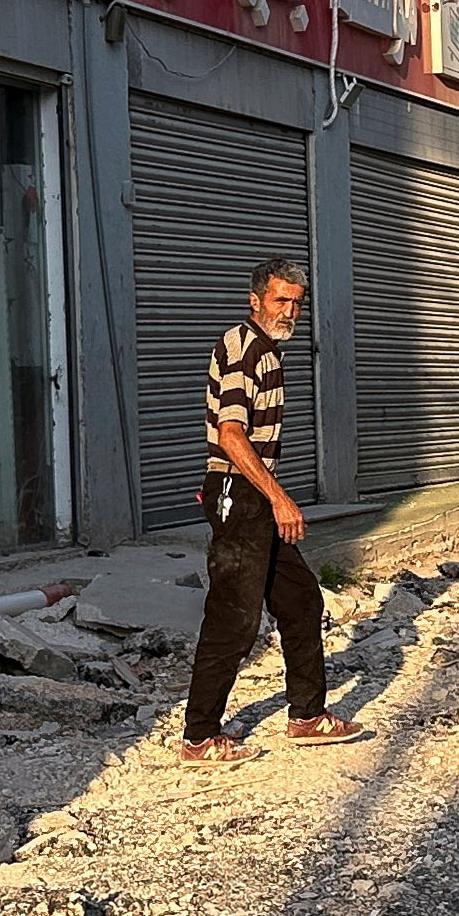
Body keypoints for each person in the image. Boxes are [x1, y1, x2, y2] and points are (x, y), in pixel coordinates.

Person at [181, 256, 360, 760]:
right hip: (241, 496)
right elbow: (231, 434)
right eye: (281, 300)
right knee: (233, 619)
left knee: (301, 601)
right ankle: (199, 736)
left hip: (251, 495)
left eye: (297, 303)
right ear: (255, 300)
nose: (290, 311)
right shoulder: (243, 346)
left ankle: (306, 716)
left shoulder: (268, 352)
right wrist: (279, 497)